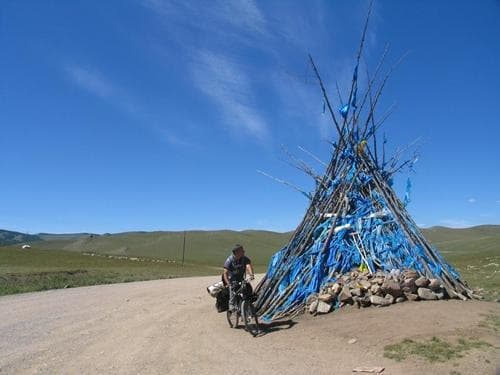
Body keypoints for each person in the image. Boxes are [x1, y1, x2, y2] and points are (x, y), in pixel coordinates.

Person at [223, 244, 254, 312]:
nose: (244, 251)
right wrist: (228, 283)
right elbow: (225, 273)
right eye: (242, 251)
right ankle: (231, 306)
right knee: (233, 292)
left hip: (241, 279)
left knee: (248, 290)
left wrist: (251, 274)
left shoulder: (244, 258)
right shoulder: (229, 260)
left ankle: (246, 306)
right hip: (231, 280)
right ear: (237, 252)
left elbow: (248, 266)